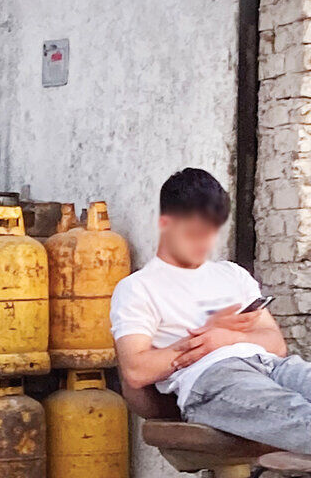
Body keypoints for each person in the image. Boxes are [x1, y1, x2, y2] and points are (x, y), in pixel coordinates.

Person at [110, 167, 308, 449]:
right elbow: (136, 370)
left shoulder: (233, 274)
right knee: (303, 420)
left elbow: (275, 344)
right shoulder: (137, 288)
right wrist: (204, 342)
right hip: (213, 381)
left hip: (271, 366)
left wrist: (230, 337)